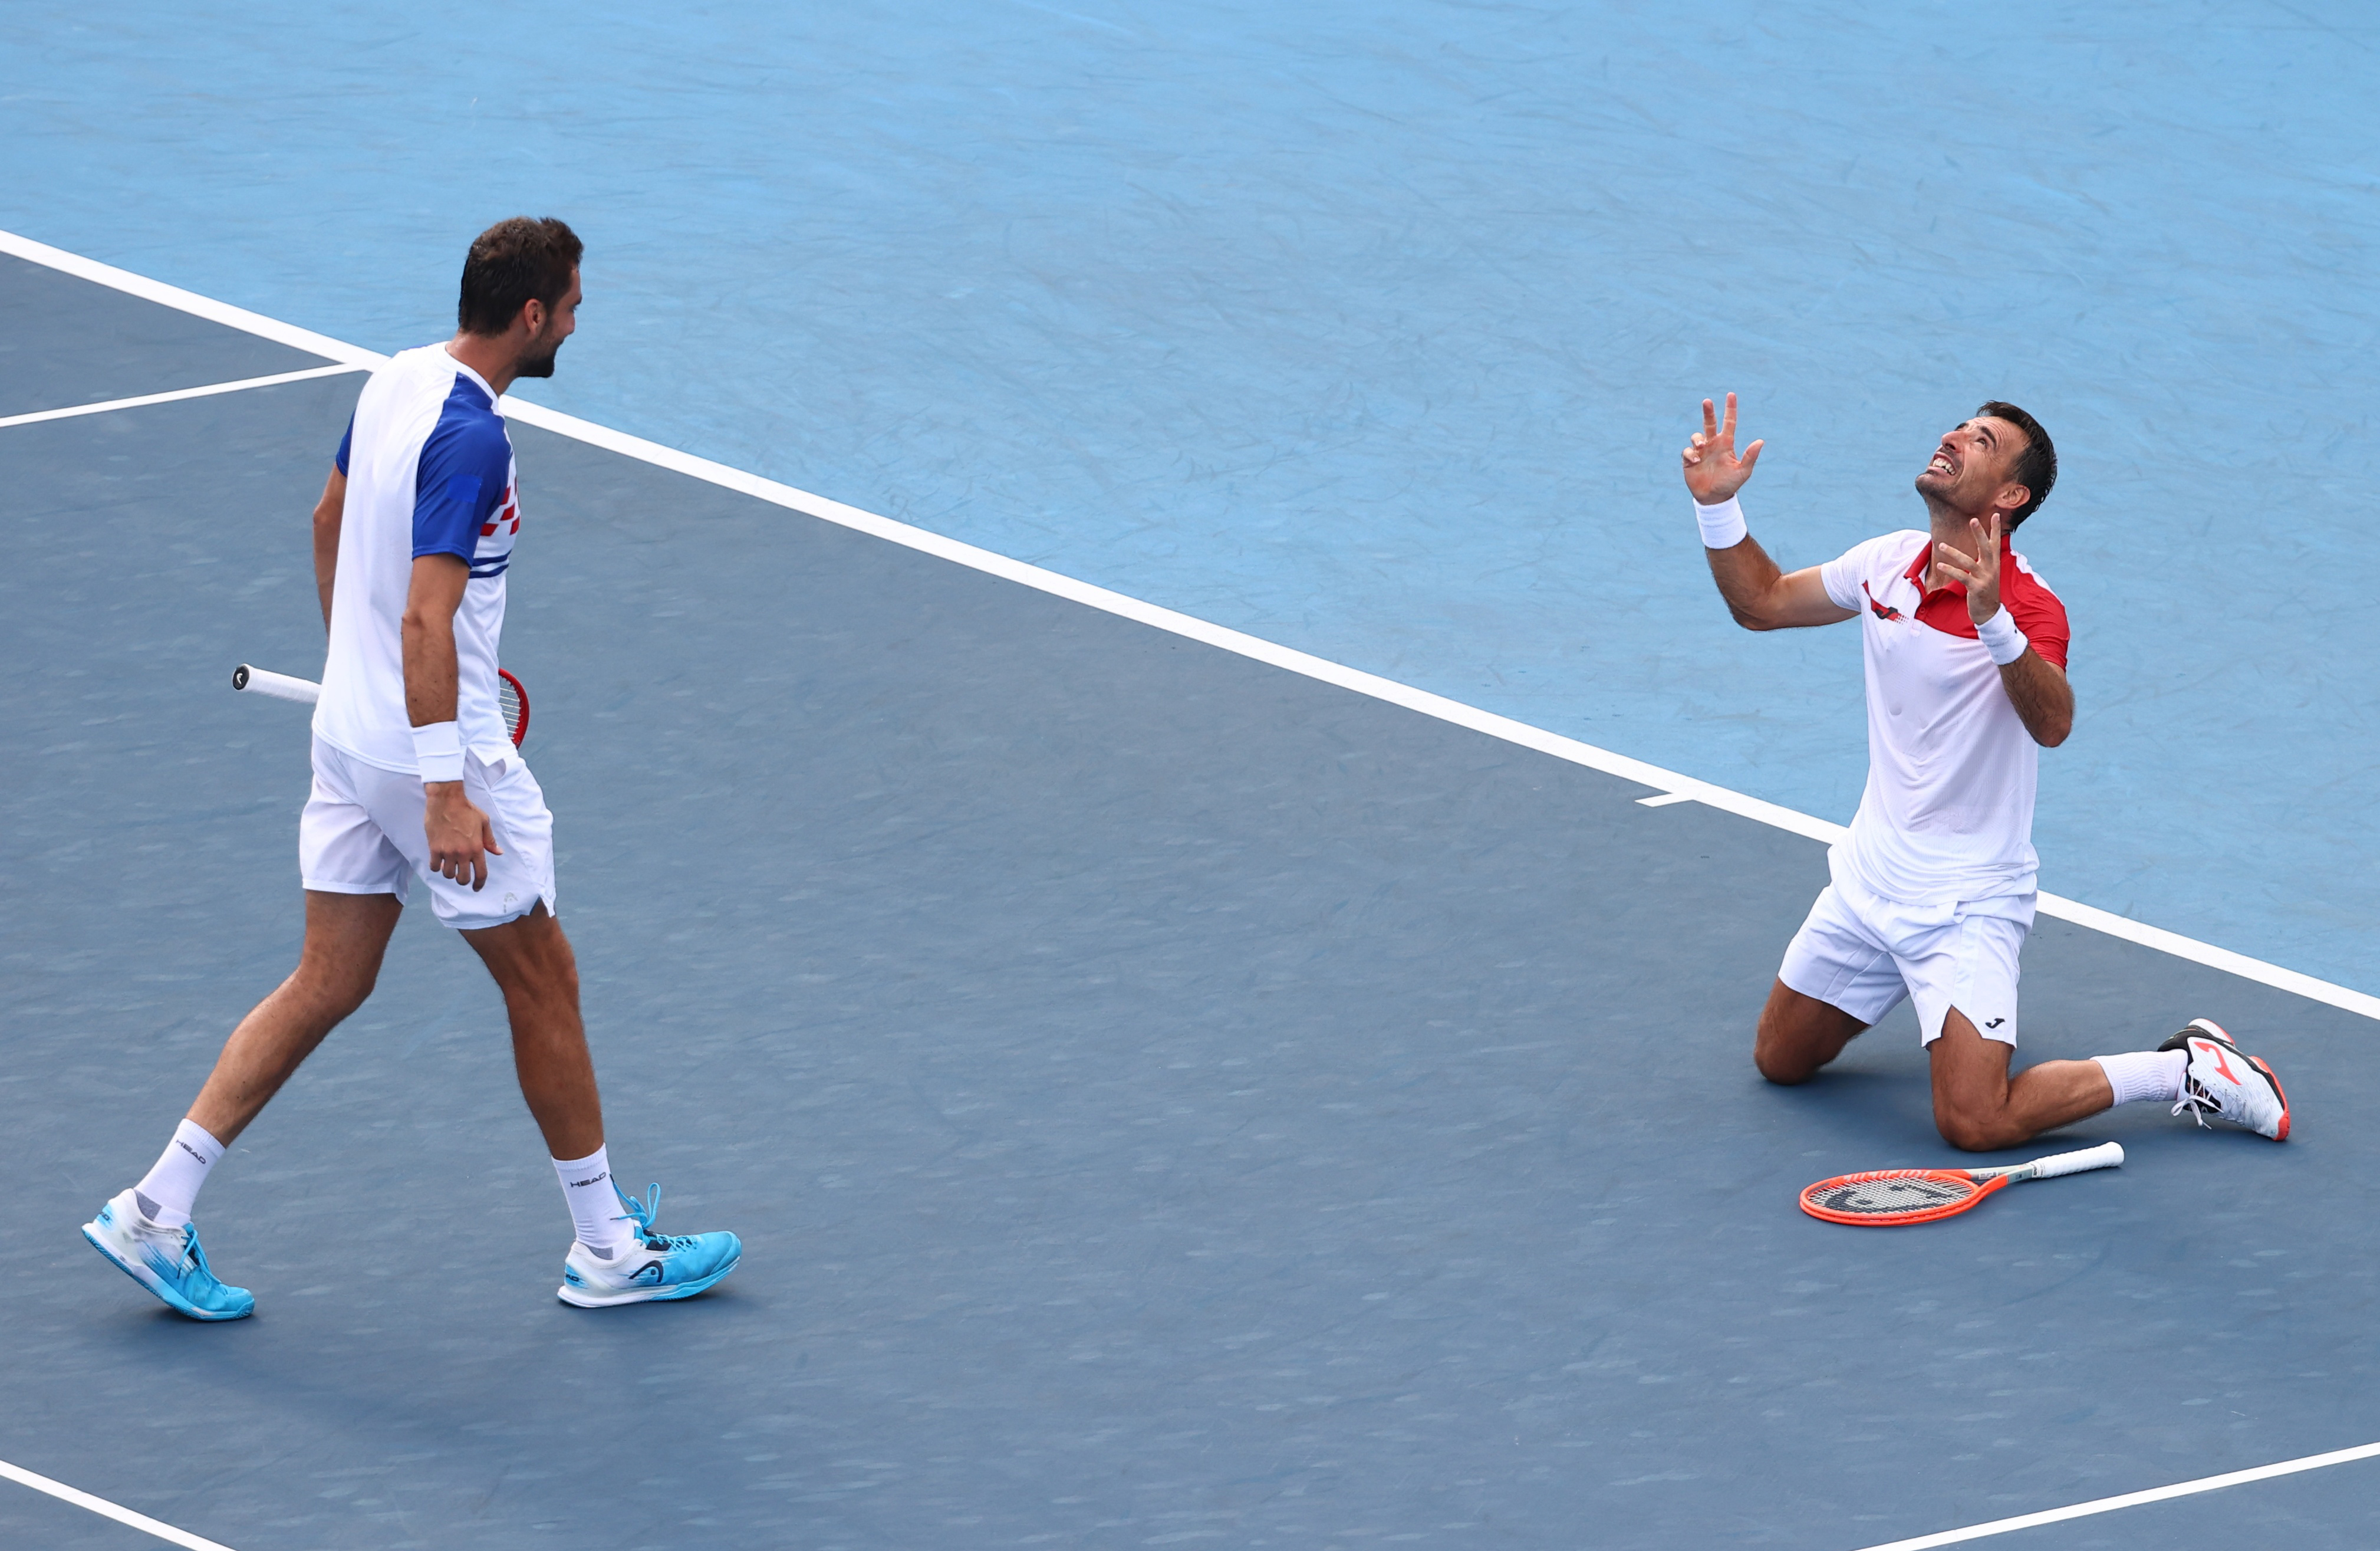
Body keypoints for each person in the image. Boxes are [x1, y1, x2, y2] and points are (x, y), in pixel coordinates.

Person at [83, 217, 740, 1320]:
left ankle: (154, 1209)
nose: (578, 319)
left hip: (349, 737)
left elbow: (329, 517)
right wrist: (443, 786)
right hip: (433, 757)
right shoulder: (477, 439)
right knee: (546, 983)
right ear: (530, 315)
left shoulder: (395, 378)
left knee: (329, 980)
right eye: (572, 304)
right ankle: (607, 1250)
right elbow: (430, 621)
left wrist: (352, 668)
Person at [1680, 393, 2289, 1150]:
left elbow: (2052, 722)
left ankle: (2186, 1067)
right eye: (1958, 426)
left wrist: (1992, 620)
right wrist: (1716, 509)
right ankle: (1936, 1004)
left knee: (1974, 1120)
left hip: (1963, 904)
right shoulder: (1883, 565)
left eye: (1981, 439)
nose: (1951, 436)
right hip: (1869, 884)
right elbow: (1763, 603)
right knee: (1778, 1060)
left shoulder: (2031, 606)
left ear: (2010, 496)